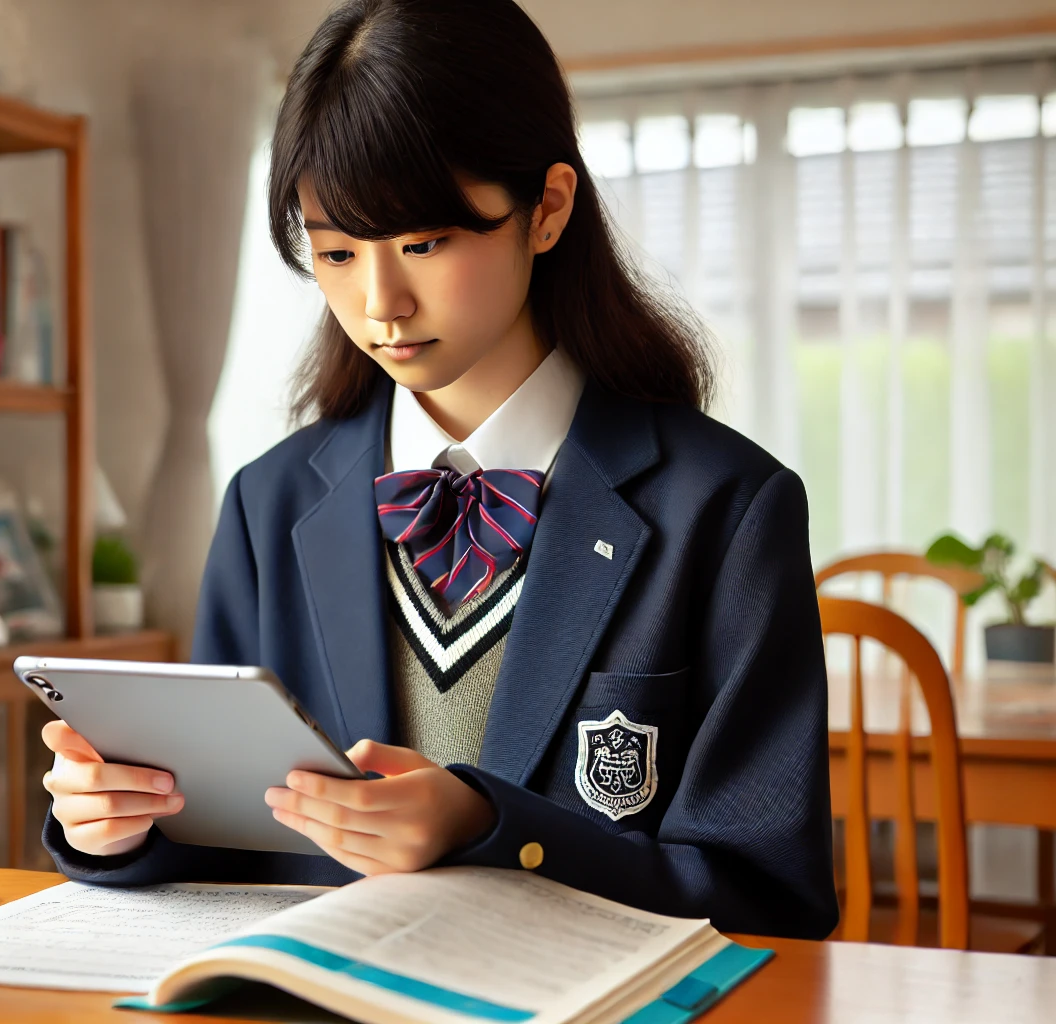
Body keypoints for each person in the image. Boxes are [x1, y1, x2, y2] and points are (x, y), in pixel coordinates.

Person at [41, 0, 837, 939]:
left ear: (546, 210)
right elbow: (227, 842)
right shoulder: (270, 504)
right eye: (336, 252)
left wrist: (494, 827)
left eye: (424, 243)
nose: (380, 303)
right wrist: (117, 827)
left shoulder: (727, 508)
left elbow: (771, 896)